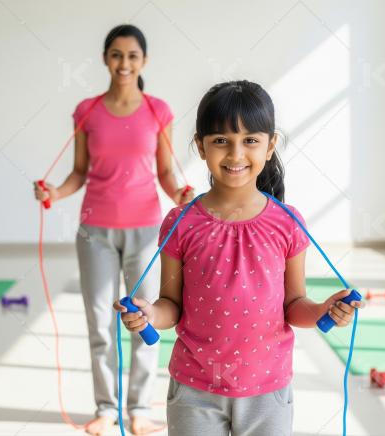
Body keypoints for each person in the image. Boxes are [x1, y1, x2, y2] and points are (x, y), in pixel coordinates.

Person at [114, 80, 364, 436]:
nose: (235, 154)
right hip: (195, 388)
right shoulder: (181, 222)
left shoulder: (287, 222)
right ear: (200, 147)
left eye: (250, 141)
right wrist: (150, 314)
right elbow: (171, 303)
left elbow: (294, 303)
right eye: (220, 141)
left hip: (268, 390)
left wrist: (324, 309)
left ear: (270, 145)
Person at [34, 24, 193, 436]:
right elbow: (78, 173)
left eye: (132, 56)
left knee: (143, 319)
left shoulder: (158, 111)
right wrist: (54, 191)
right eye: (117, 55)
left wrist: (179, 192)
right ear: (106, 58)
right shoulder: (87, 110)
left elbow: (164, 173)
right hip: (95, 233)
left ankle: (139, 409)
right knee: (100, 324)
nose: (124, 63)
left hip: (144, 231)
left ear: (144, 61)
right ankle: (106, 408)